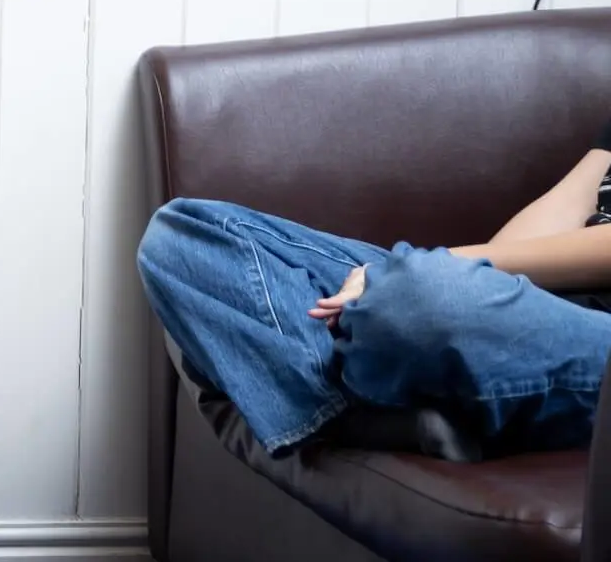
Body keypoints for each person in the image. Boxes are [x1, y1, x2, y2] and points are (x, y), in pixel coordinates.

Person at [137, 153, 611, 458]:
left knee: (418, 295)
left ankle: (358, 391)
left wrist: (425, 279)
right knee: (181, 238)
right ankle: (373, 415)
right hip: (534, 310)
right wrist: (454, 280)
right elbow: (564, 211)